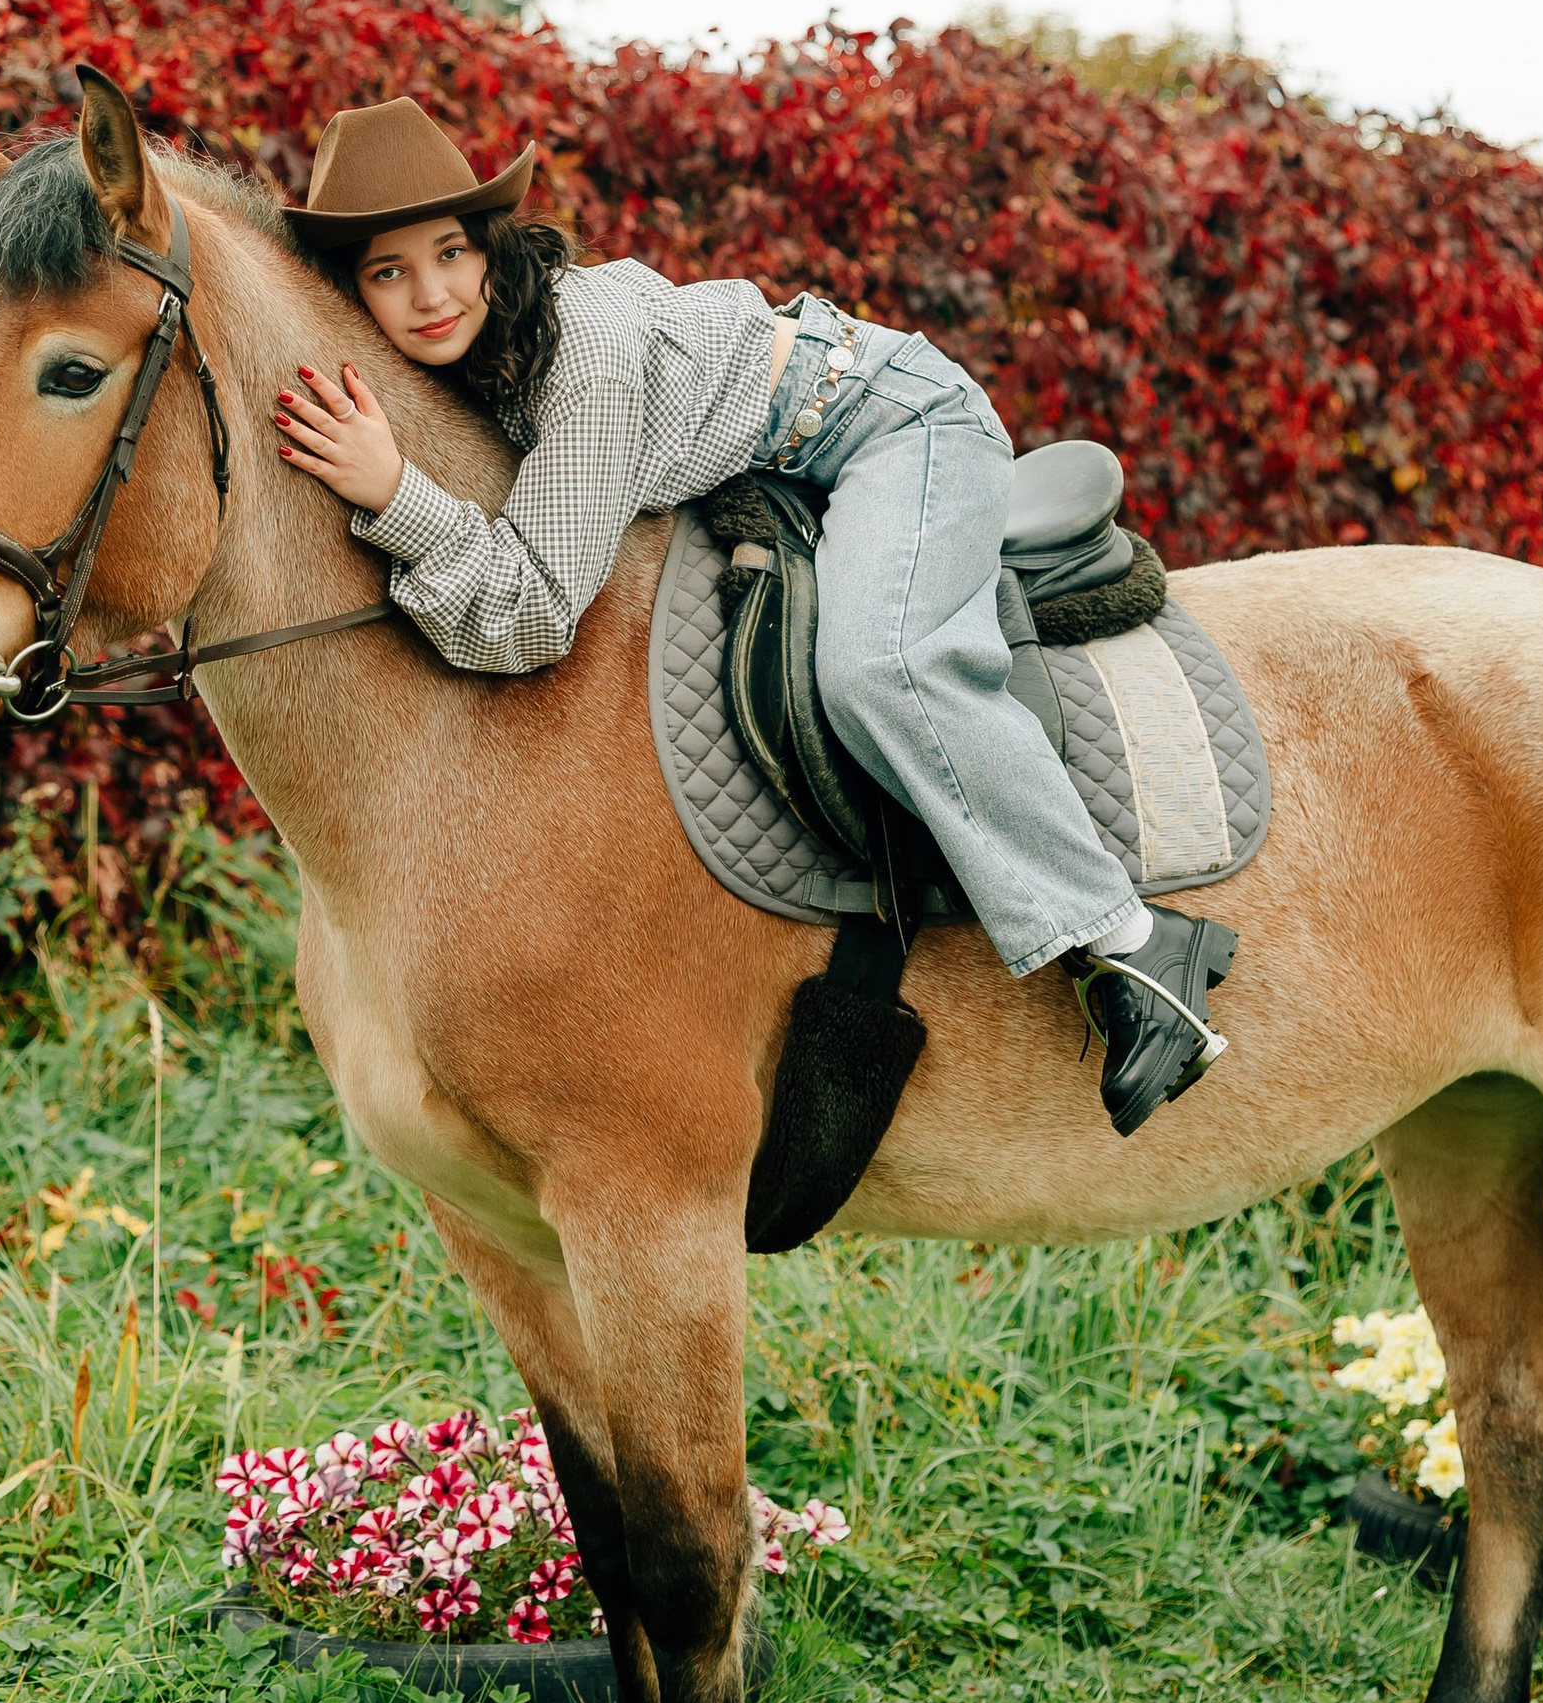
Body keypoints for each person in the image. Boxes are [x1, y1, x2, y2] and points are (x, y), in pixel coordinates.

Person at [275, 99, 1234, 1136]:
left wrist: (395, 494)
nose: (429, 294)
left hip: (887, 422)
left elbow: (535, 612)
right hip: (784, 447)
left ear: (491, 245)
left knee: (882, 668)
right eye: (388, 272)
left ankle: (1133, 944)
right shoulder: (478, 354)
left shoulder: (581, 353)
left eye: (449, 252)